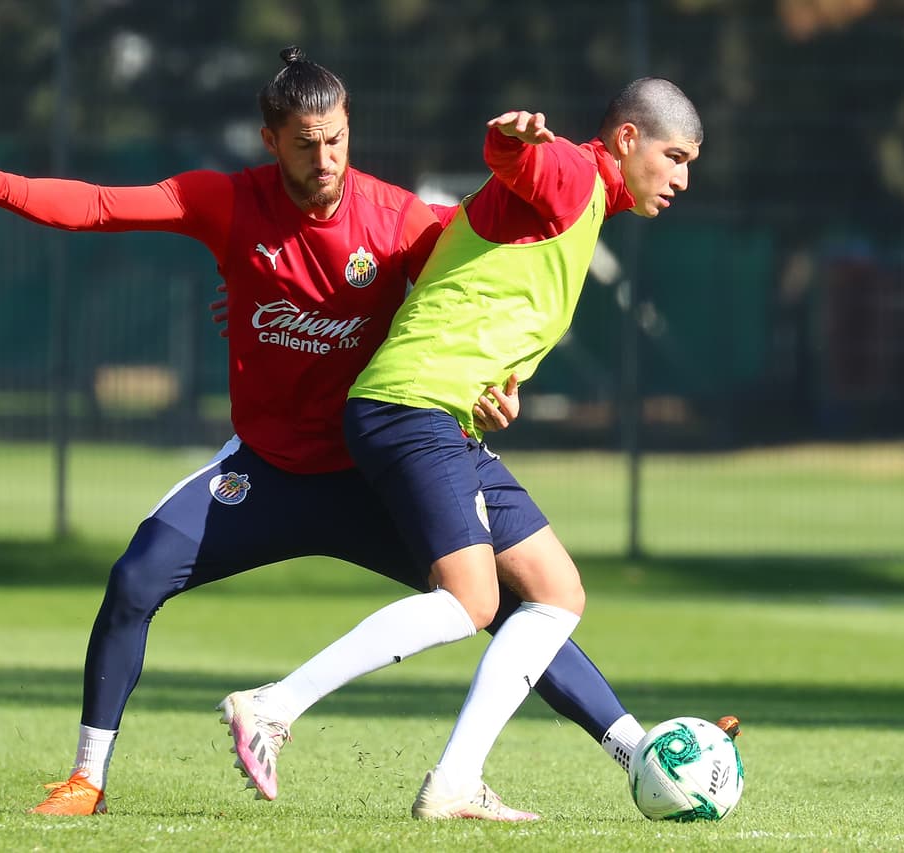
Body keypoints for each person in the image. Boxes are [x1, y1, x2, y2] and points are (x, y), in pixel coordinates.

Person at [0, 47, 653, 817]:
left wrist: (496, 382)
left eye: (336, 138)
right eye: (305, 141)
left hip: (373, 472)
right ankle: (86, 778)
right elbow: (103, 205)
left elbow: (467, 296)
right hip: (264, 472)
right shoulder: (229, 202)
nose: (325, 157)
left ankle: (635, 750)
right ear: (270, 140)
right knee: (134, 578)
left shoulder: (397, 218)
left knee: (506, 601)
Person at [222, 78, 705, 821]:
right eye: (675, 156)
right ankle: (274, 706)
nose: (682, 178)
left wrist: (497, 384)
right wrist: (513, 137)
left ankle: (455, 781)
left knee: (555, 591)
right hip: (411, 406)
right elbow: (515, 161)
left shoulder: (585, 210)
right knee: (473, 600)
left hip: (445, 416)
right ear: (629, 141)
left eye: (691, 164)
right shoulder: (577, 173)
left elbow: (485, 292)